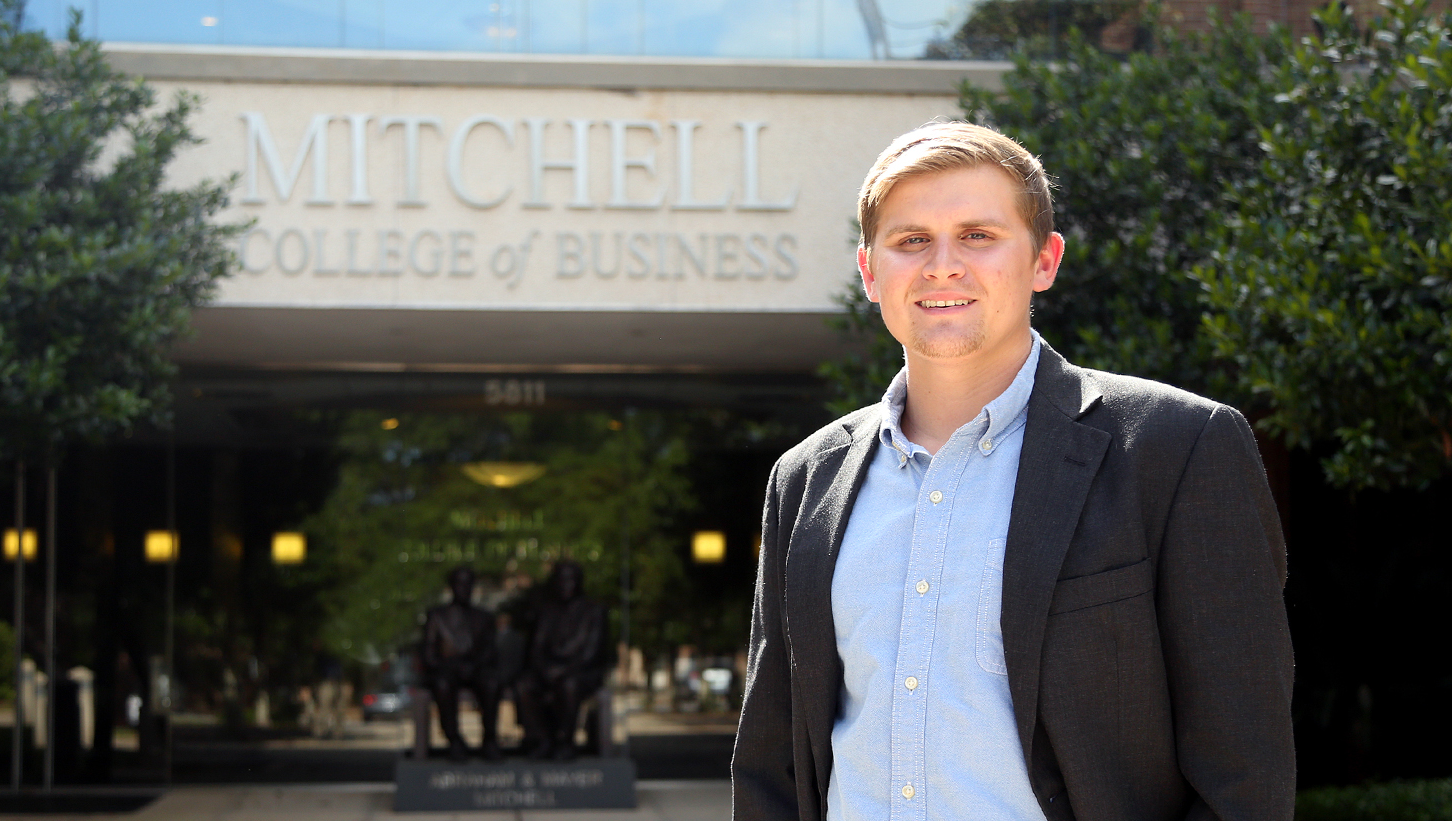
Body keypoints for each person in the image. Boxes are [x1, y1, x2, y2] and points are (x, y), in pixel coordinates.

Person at [731, 121, 1293, 821]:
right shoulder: (806, 480)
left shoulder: (1176, 450)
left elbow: (1245, 774)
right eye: (911, 241)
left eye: (978, 235)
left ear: (1044, 261)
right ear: (871, 272)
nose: (942, 265)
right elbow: (771, 760)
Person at [515, 560, 607, 760]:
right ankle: (541, 740)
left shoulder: (593, 612)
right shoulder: (547, 612)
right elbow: (536, 648)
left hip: (580, 672)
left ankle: (565, 741)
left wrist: (563, 670)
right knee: (525, 685)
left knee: (569, 685)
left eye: (570, 580)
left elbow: (591, 653)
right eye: (561, 580)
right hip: (548, 670)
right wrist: (543, 669)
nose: (565, 585)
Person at [420, 565, 503, 761]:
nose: (464, 589)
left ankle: (490, 739)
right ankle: (454, 739)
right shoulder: (437, 616)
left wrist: (474, 666)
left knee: (492, 684)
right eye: (459, 584)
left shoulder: (484, 617)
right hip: (447, 671)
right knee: (442, 685)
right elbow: (429, 654)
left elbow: (490, 651)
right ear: (452, 587)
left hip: (476, 669)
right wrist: (453, 667)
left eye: (468, 584)